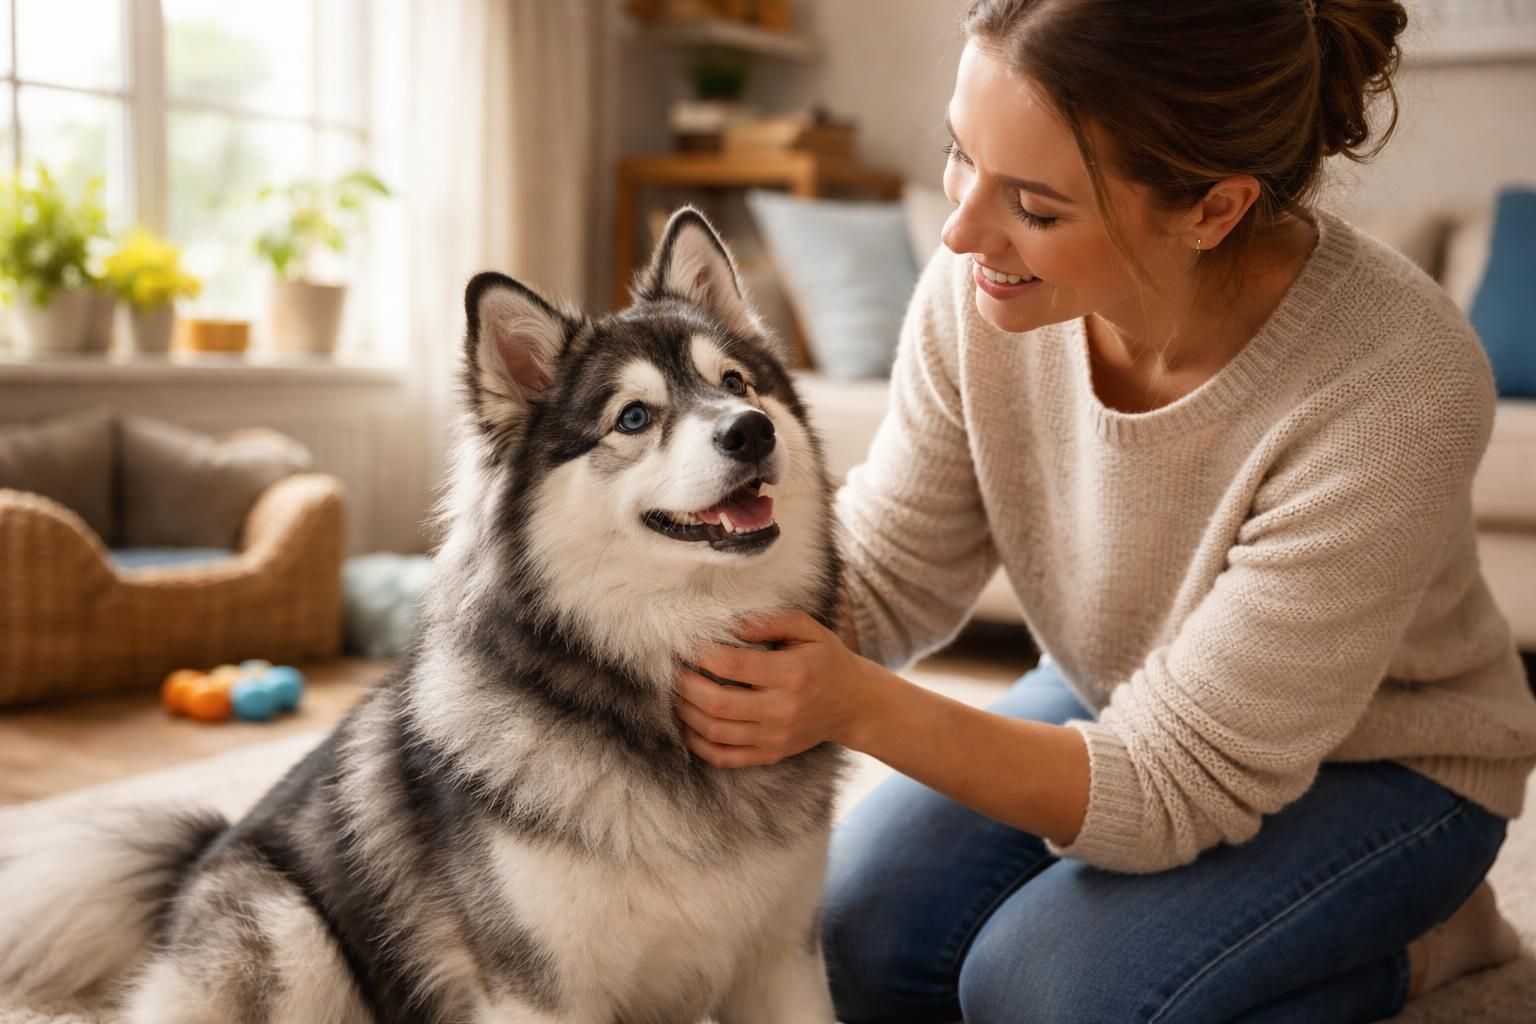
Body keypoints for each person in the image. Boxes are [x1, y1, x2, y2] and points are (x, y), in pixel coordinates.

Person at [670, 1, 1536, 1020]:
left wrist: (850, 700)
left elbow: (1175, 780)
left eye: (1034, 205)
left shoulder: (1396, 383)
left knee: (1045, 993)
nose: (959, 231)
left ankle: (1430, 946)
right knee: (852, 938)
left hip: (1390, 765)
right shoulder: (976, 288)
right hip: (1116, 691)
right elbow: (892, 565)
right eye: (961, 155)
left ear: (1213, 210)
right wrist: (680, 642)